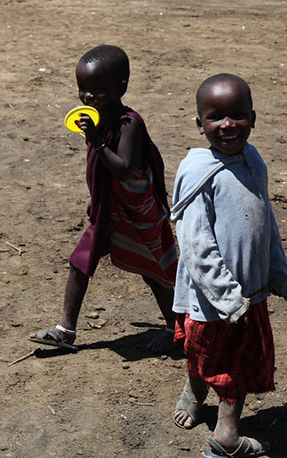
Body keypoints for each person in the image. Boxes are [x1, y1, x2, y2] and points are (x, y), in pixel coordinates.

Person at [169, 74, 287, 458]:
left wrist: (280, 275)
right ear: (200, 125)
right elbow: (195, 246)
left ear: (253, 118)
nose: (227, 125)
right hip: (217, 292)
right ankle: (226, 435)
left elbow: (266, 223)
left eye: (237, 115)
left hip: (249, 288)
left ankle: (195, 396)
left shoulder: (252, 161)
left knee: (220, 355)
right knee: (228, 362)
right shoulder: (198, 174)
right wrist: (228, 298)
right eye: (216, 118)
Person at [30, 45, 177, 352]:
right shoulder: (94, 120)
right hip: (108, 209)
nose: (88, 97)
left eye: (97, 91)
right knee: (80, 261)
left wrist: (97, 141)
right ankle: (65, 329)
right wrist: (95, 198)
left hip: (135, 212)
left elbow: (123, 170)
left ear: (121, 87)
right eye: (82, 90)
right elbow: (101, 172)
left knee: (154, 271)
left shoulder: (129, 124)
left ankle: (177, 329)